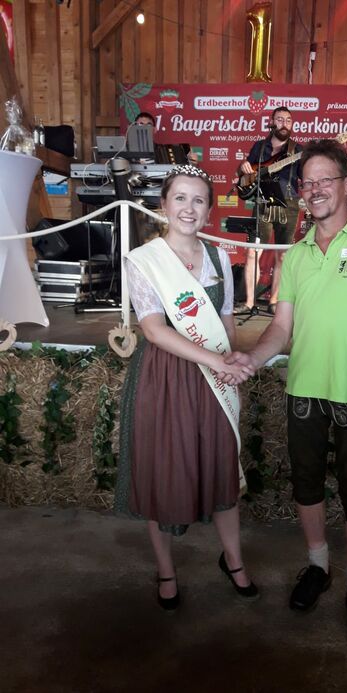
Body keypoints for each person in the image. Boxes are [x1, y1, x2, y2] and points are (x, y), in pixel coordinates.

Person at [226, 139, 347, 638]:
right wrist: (251, 358)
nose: (315, 190)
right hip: (304, 389)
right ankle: (318, 565)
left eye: (325, 179)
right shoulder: (297, 255)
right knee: (306, 483)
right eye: (307, 183)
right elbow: (281, 328)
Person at [114, 164, 258, 611]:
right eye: (180, 198)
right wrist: (217, 362)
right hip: (165, 379)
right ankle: (166, 570)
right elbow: (154, 330)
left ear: (210, 209)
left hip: (214, 378)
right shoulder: (145, 260)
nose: (189, 208)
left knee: (222, 465)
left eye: (198, 200)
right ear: (163, 205)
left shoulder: (219, 258)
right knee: (162, 472)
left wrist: (231, 362)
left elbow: (227, 322)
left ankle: (233, 559)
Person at [236, 106, 302, 314]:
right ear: (272, 122)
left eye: (288, 120)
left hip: (288, 203)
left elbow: (307, 176)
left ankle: (274, 301)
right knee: (252, 252)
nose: (284, 124)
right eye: (280, 119)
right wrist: (243, 167)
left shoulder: (298, 150)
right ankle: (249, 302)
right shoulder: (260, 146)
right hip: (262, 201)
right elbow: (246, 172)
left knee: (282, 255)